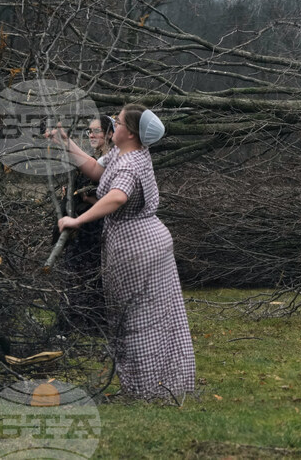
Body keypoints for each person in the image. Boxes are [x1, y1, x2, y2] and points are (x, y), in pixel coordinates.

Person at [51, 104, 196, 400]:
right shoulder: (125, 154)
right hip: (144, 243)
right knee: (147, 315)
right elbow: (95, 170)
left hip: (138, 246)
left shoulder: (130, 165)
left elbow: (117, 196)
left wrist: (77, 220)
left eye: (116, 122)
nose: (112, 126)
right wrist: (66, 143)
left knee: (139, 317)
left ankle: (146, 390)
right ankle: (155, 386)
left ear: (129, 132)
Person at [53, 115, 114, 332]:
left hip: (97, 226)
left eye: (97, 130)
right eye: (89, 131)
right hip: (82, 226)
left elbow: (116, 200)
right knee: (74, 271)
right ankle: (74, 321)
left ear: (109, 133)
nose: (91, 135)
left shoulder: (114, 161)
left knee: (91, 272)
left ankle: (91, 323)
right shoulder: (94, 160)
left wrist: (88, 199)